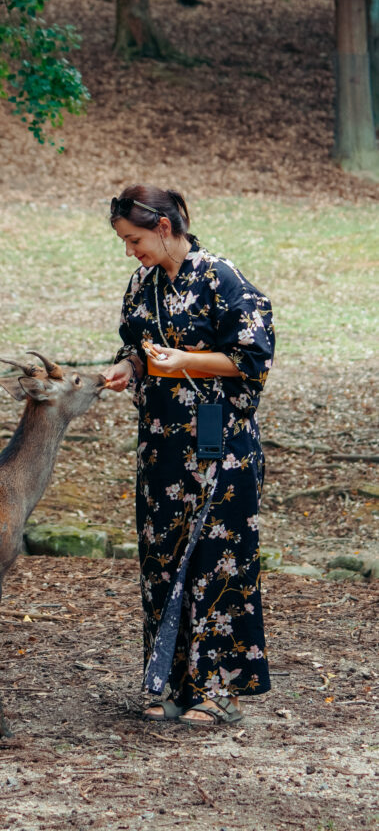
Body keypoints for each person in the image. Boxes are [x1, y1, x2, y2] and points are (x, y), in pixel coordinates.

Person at [102, 185, 275, 725]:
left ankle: (219, 691)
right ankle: (173, 685)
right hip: (161, 449)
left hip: (221, 446)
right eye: (124, 242)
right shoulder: (143, 284)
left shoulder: (222, 278)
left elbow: (253, 357)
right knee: (162, 560)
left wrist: (186, 361)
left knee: (217, 560)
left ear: (163, 227)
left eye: (134, 240)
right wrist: (127, 368)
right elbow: (135, 344)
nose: (130, 251)